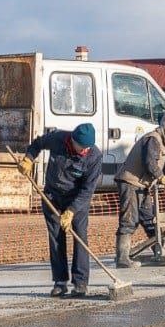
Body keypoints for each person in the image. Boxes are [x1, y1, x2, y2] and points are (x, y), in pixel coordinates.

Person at [19, 123, 103, 297]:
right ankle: (60, 281)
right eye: (79, 147)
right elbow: (37, 144)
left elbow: (88, 190)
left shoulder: (94, 156)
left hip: (77, 200)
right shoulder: (58, 139)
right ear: (72, 140)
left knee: (80, 237)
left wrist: (71, 211)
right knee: (56, 238)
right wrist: (28, 158)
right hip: (53, 197)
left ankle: (80, 283)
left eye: (85, 148)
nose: (82, 151)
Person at [113, 111, 165, 268]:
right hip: (130, 183)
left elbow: (155, 165)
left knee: (149, 219)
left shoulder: (160, 142)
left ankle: (161, 251)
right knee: (129, 220)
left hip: (142, 186)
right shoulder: (152, 140)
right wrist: (161, 178)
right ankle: (122, 259)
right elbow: (149, 163)